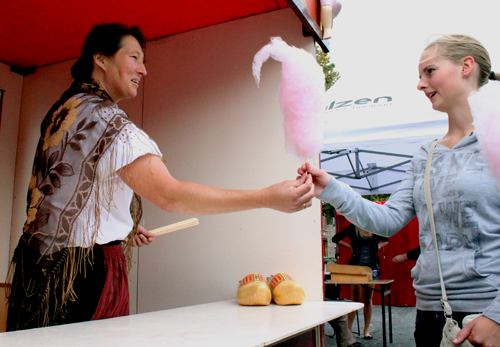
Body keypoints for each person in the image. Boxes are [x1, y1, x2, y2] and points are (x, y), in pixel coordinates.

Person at [6, 23, 314, 331]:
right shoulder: (108, 122)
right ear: (100, 59)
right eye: (134, 58)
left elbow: (69, 192)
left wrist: (121, 224)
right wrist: (268, 198)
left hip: (38, 270)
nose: (143, 70)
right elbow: (171, 196)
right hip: (81, 279)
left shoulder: (65, 108)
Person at [298, 34, 500, 347]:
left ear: (466, 67)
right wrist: (332, 188)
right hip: (431, 313)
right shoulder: (426, 154)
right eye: (420, 76)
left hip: (486, 313)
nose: (420, 84)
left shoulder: (495, 142)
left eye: (429, 71)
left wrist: (497, 317)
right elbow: (388, 219)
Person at [332, 224, 388, 339]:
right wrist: (349, 246)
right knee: (355, 297)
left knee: (368, 298)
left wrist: (377, 246)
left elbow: (386, 240)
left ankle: (366, 329)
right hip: (356, 265)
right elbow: (335, 238)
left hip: (372, 266)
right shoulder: (353, 228)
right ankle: (349, 329)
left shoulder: (375, 228)